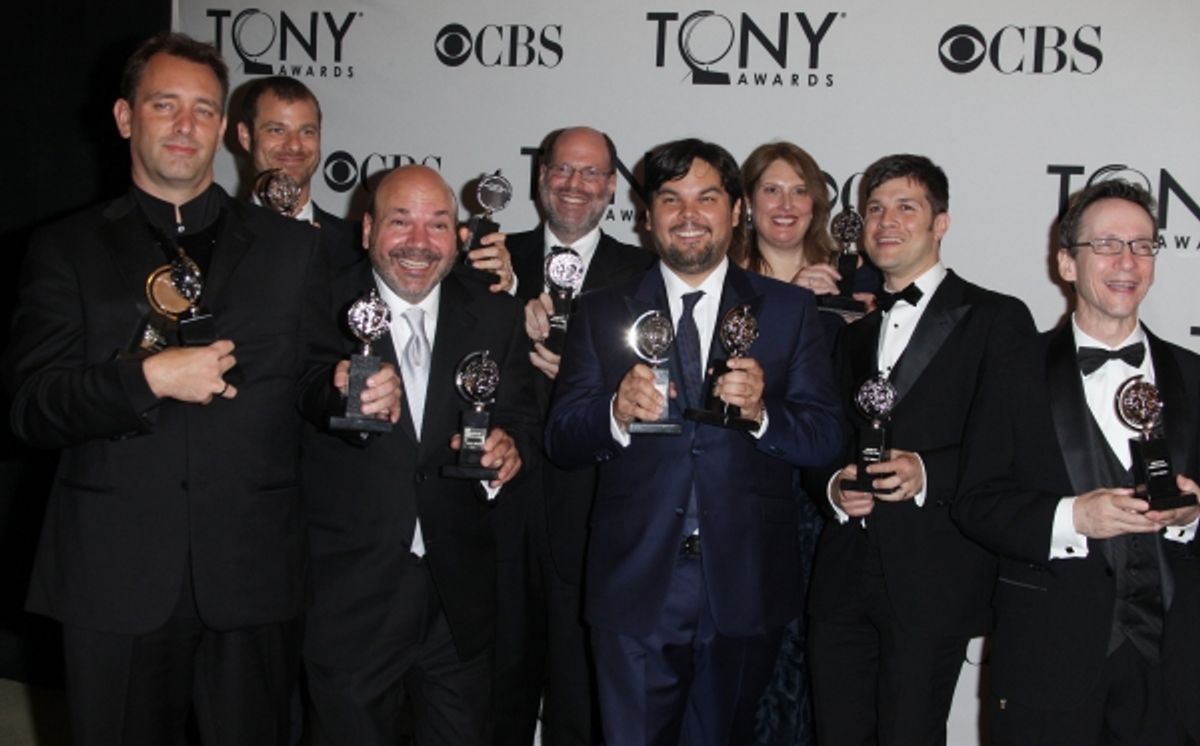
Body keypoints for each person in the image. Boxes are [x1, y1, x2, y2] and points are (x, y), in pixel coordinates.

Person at [2, 32, 385, 745]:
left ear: (224, 130)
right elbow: (32, 406)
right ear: (124, 117)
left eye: (203, 110)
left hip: (252, 570)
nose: (185, 126)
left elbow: (310, 382)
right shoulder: (65, 249)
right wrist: (145, 378)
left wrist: (344, 393)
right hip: (115, 574)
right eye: (165, 105)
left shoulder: (290, 249)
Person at [545, 138, 842, 745]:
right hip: (635, 586)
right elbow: (562, 439)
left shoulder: (788, 312)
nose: (688, 214)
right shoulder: (602, 311)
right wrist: (614, 414)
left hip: (742, 587)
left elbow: (825, 437)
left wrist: (763, 414)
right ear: (647, 215)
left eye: (707, 198)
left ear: (736, 212)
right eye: (671, 199)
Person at [953, 180, 1200, 745]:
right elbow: (975, 504)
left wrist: (1192, 517)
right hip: (1049, 662)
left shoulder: (1193, 375)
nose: (1127, 262)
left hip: (1173, 671)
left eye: (1142, 246)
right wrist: (1072, 520)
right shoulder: (1011, 371)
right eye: (1107, 245)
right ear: (1067, 262)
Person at [300, 165, 539, 746]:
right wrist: (336, 392)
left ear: (458, 237)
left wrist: (511, 450)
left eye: (437, 225)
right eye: (399, 221)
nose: (418, 242)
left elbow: (522, 419)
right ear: (366, 230)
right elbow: (296, 394)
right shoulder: (318, 303)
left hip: (458, 600)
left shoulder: (495, 314)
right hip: (349, 596)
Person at [805, 154, 1035, 746]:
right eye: (875, 208)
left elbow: (1018, 446)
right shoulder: (849, 334)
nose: (887, 221)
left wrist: (926, 470)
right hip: (841, 578)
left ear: (941, 222)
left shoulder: (996, 318)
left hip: (931, 575)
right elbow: (824, 440)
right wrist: (834, 487)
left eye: (907, 207)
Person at [494, 125, 653, 746]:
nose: (575, 185)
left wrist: (591, 376)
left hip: (593, 514)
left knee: (579, 702)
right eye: (563, 170)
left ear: (612, 186)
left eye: (591, 174)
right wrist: (511, 307)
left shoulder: (643, 272)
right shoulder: (492, 257)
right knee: (494, 692)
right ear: (541, 177)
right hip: (500, 508)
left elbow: (658, 380)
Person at [732, 141, 880, 746]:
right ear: (746, 203)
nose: (786, 204)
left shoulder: (856, 276)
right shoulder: (718, 279)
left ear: (818, 203)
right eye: (771, 189)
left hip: (821, 497)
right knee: (742, 665)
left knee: (814, 664)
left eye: (800, 190)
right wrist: (795, 299)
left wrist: (859, 326)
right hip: (739, 494)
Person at [235, 76, 358, 270]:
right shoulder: (218, 236)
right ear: (245, 137)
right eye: (277, 130)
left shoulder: (357, 249)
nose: (294, 145)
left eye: (307, 131)